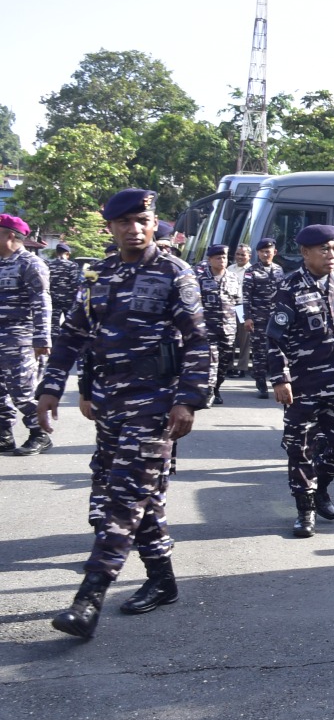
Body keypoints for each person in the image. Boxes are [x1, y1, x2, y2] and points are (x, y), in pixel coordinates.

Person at [39, 188, 210, 640]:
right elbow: (72, 334)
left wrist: (188, 400)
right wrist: (52, 386)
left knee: (123, 497)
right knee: (141, 495)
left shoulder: (174, 272)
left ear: (154, 224)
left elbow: (197, 340)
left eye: (142, 221)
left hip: (155, 403)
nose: (134, 229)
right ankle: (163, 579)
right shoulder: (99, 274)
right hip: (110, 402)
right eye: (124, 222)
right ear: (110, 227)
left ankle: (89, 597)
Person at [263, 225, 334, 539]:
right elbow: (275, 338)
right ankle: (305, 510)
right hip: (304, 387)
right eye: (324, 249)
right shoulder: (289, 287)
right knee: (300, 449)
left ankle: (319, 485)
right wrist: (280, 379)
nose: (331, 255)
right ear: (305, 252)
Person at [0, 212, 53, 455]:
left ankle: (40, 433)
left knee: (22, 390)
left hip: (20, 338)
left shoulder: (30, 264)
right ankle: (3, 434)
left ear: (10, 236)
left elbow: (41, 302)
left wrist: (42, 339)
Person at [195, 244, 239, 405]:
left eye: (224, 257)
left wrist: (243, 322)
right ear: (210, 260)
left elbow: (238, 302)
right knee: (211, 360)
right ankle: (208, 391)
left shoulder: (233, 277)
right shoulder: (200, 279)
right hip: (208, 327)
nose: (222, 260)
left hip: (228, 328)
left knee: (224, 362)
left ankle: (216, 388)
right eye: (218, 258)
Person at [242, 237, 285, 398]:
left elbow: (283, 294)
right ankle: (260, 383)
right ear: (258, 253)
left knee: (277, 351)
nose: (265, 254)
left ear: (275, 252)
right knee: (259, 352)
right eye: (262, 252)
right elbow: (246, 296)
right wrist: (247, 317)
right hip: (258, 318)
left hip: (276, 318)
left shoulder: (279, 270)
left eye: (268, 251)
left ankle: (277, 382)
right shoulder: (251, 271)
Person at [223, 244, 251, 376]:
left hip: (242, 306)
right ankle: (229, 366)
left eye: (243, 255)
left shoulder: (252, 270)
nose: (240, 257)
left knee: (244, 338)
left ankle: (242, 367)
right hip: (230, 305)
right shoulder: (229, 269)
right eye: (238, 254)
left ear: (249, 256)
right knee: (230, 336)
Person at [46, 243, 82, 338]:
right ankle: (67, 343)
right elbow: (74, 284)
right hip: (68, 300)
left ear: (56, 253)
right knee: (70, 324)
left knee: (53, 325)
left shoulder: (49, 265)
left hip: (53, 299)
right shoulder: (72, 265)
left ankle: (53, 344)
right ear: (67, 253)